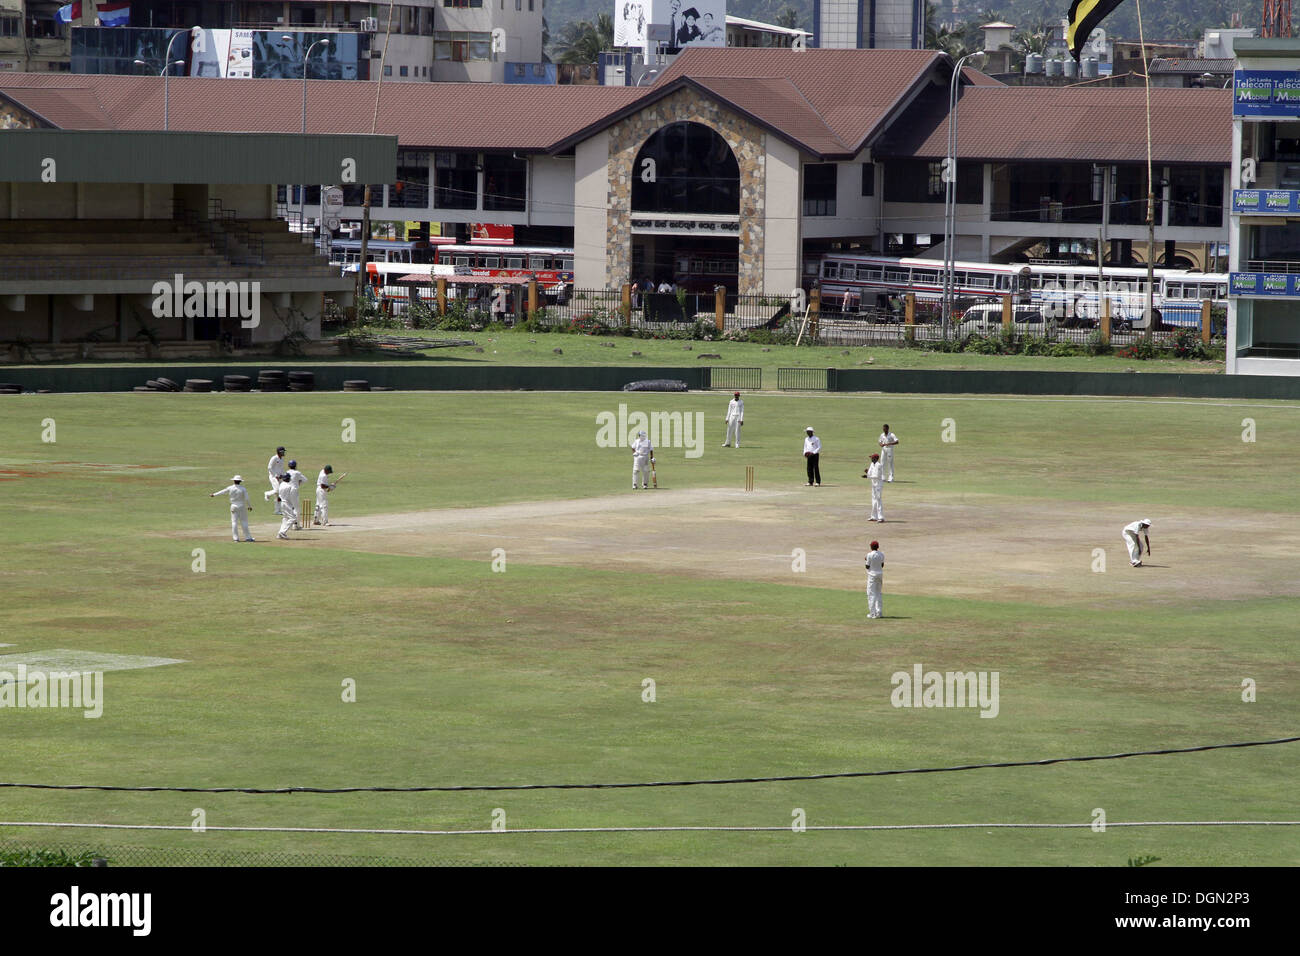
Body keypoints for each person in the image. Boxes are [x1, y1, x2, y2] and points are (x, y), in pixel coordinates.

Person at [209, 475, 254, 542]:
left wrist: (214, 494)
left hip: (233, 506)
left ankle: (236, 539)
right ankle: (248, 538)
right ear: (240, 481)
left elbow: (223, 491)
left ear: (234, 481)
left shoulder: (230, 488)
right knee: (244, 522)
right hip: (241, 506)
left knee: (234, 522)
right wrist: (249, 506)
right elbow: (247, 498)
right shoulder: (243, 489)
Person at [270, 474, 295, 539]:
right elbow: (291, 497)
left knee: (285, 518)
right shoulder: (289, 486)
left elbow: (279, 495)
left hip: (282, 503)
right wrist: (292, 505)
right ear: (288, 479)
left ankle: (280, 534)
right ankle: (283, 532)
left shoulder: (281, 484)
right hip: (287, 503)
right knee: (292, 518)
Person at [285, 460, 308, 530]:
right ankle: (296, 525)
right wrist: (298, 483)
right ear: (295, 466)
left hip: (286, 490)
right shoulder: (297, 473)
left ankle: (287, 524)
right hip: (294, 491)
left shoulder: (286, 472)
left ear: (289, 466)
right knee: (296, 508)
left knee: (289, 507)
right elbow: (305, 480)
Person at [865, 540, 885, 619]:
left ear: (871, 547)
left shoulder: (869, 555)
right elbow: (882, 565)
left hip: (872, 576)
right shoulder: (881, 554)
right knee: (878, 593)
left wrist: (866, 560)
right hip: (880, 575)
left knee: (871, 594)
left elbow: (867, 566)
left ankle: (872, 613)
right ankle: (879, 612)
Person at [863, 453, 884, 521]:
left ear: (875, 459)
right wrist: (867, 472)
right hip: (873, 484)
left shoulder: (879, 465)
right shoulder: (872, 464)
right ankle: (873, 516)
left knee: (878, 500)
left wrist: (868, 476)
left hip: (878, 484)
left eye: (872, 458)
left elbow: (877, 476)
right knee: (873, 500)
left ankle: (881, 517)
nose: (871, 459)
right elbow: (870, 473)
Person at [267, 446, 287, 515]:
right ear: (279, 452)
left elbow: (281, 469)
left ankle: (277, 510)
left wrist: (284, 475)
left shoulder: (281, 459)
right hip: (273, 477)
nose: (284, 453)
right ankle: (267, 494)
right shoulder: (274, 458)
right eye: (283, 451)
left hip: (279, 477)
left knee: (279, 494)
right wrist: (275, 475)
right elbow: (269, 467)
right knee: (277, 490)